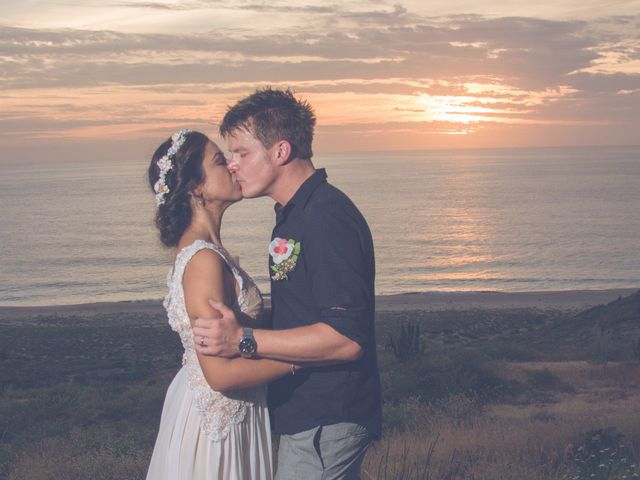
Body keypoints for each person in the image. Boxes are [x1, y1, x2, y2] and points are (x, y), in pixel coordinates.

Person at [192, 88, 382, 480]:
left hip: (328, 415)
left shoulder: (326, 217)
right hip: (307, 415)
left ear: (280, 152)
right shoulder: (295, 216)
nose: (232, 165)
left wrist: (244, 338)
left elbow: (347, 339)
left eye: (241, 153)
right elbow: (308, 309)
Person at [145, 129, 299, 480]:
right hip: (217, 424)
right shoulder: (202, 260)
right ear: (196, 188)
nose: (232, 165)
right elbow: (220, 374)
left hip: (236, 414)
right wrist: (303, 359)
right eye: (219, 161)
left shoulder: (210, 253)